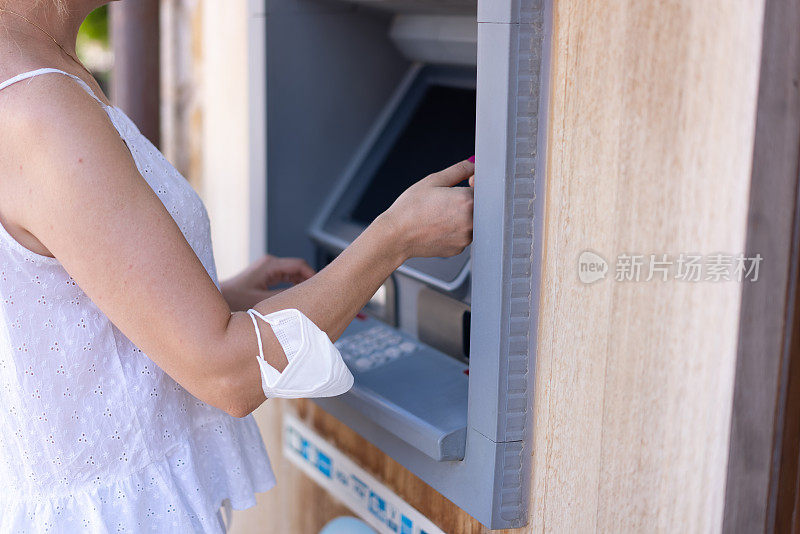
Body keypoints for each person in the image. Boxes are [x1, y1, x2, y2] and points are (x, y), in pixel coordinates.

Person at [0, 0, 475, 532]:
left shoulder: (32, 71)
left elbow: (51, 316)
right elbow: (228, 375)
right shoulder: (39, 109)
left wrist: (213, 300)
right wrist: (395, 238)